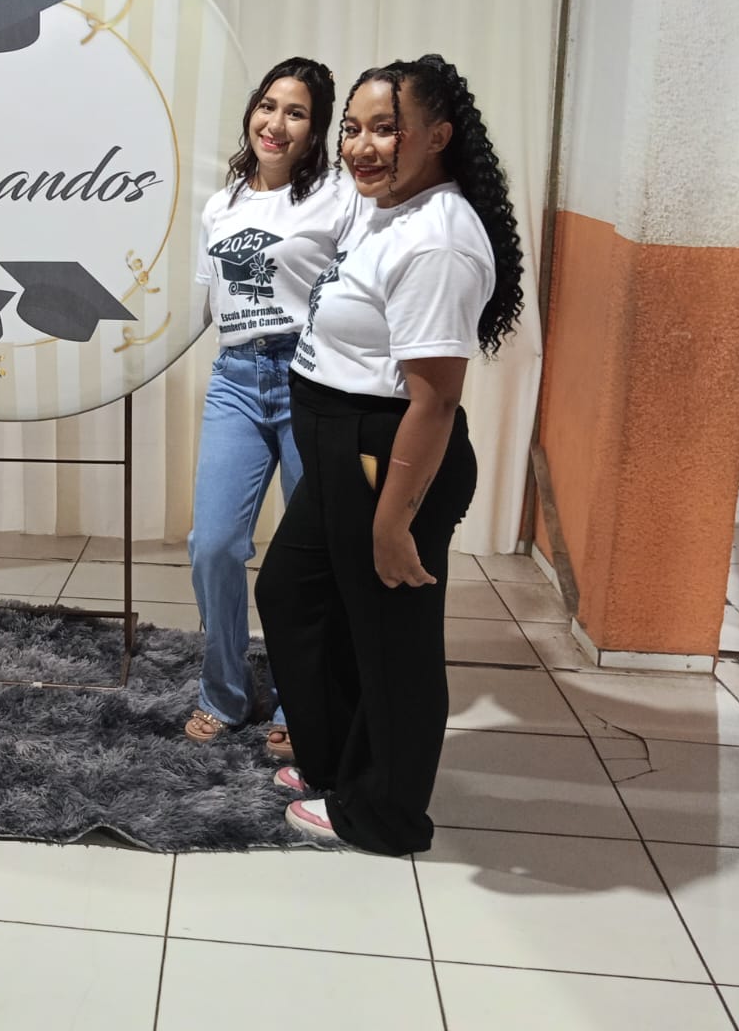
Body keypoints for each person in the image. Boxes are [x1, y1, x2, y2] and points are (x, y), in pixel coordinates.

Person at [256, 53, 524, 854]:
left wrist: (394, 520)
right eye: (353, 128)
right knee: (294, 596)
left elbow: (434, 400)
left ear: (438, 136)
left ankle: (384, 813)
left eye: (385, 129)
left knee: (390, 641)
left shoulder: (438, 241)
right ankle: (339, 763)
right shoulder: (386, 206)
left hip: (389, 454)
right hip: (345, 446)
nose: (361, 146)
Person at [184, 58, 357, 755]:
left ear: (315, 130)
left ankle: (300, 700)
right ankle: (224, 691)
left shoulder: (338, 198)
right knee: (213, 545)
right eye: (268, 105)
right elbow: (205, 302)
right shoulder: (221, 203)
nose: (276, 123)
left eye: (296, 112)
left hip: (309, 375)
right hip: (235, 376)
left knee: (310, 554)